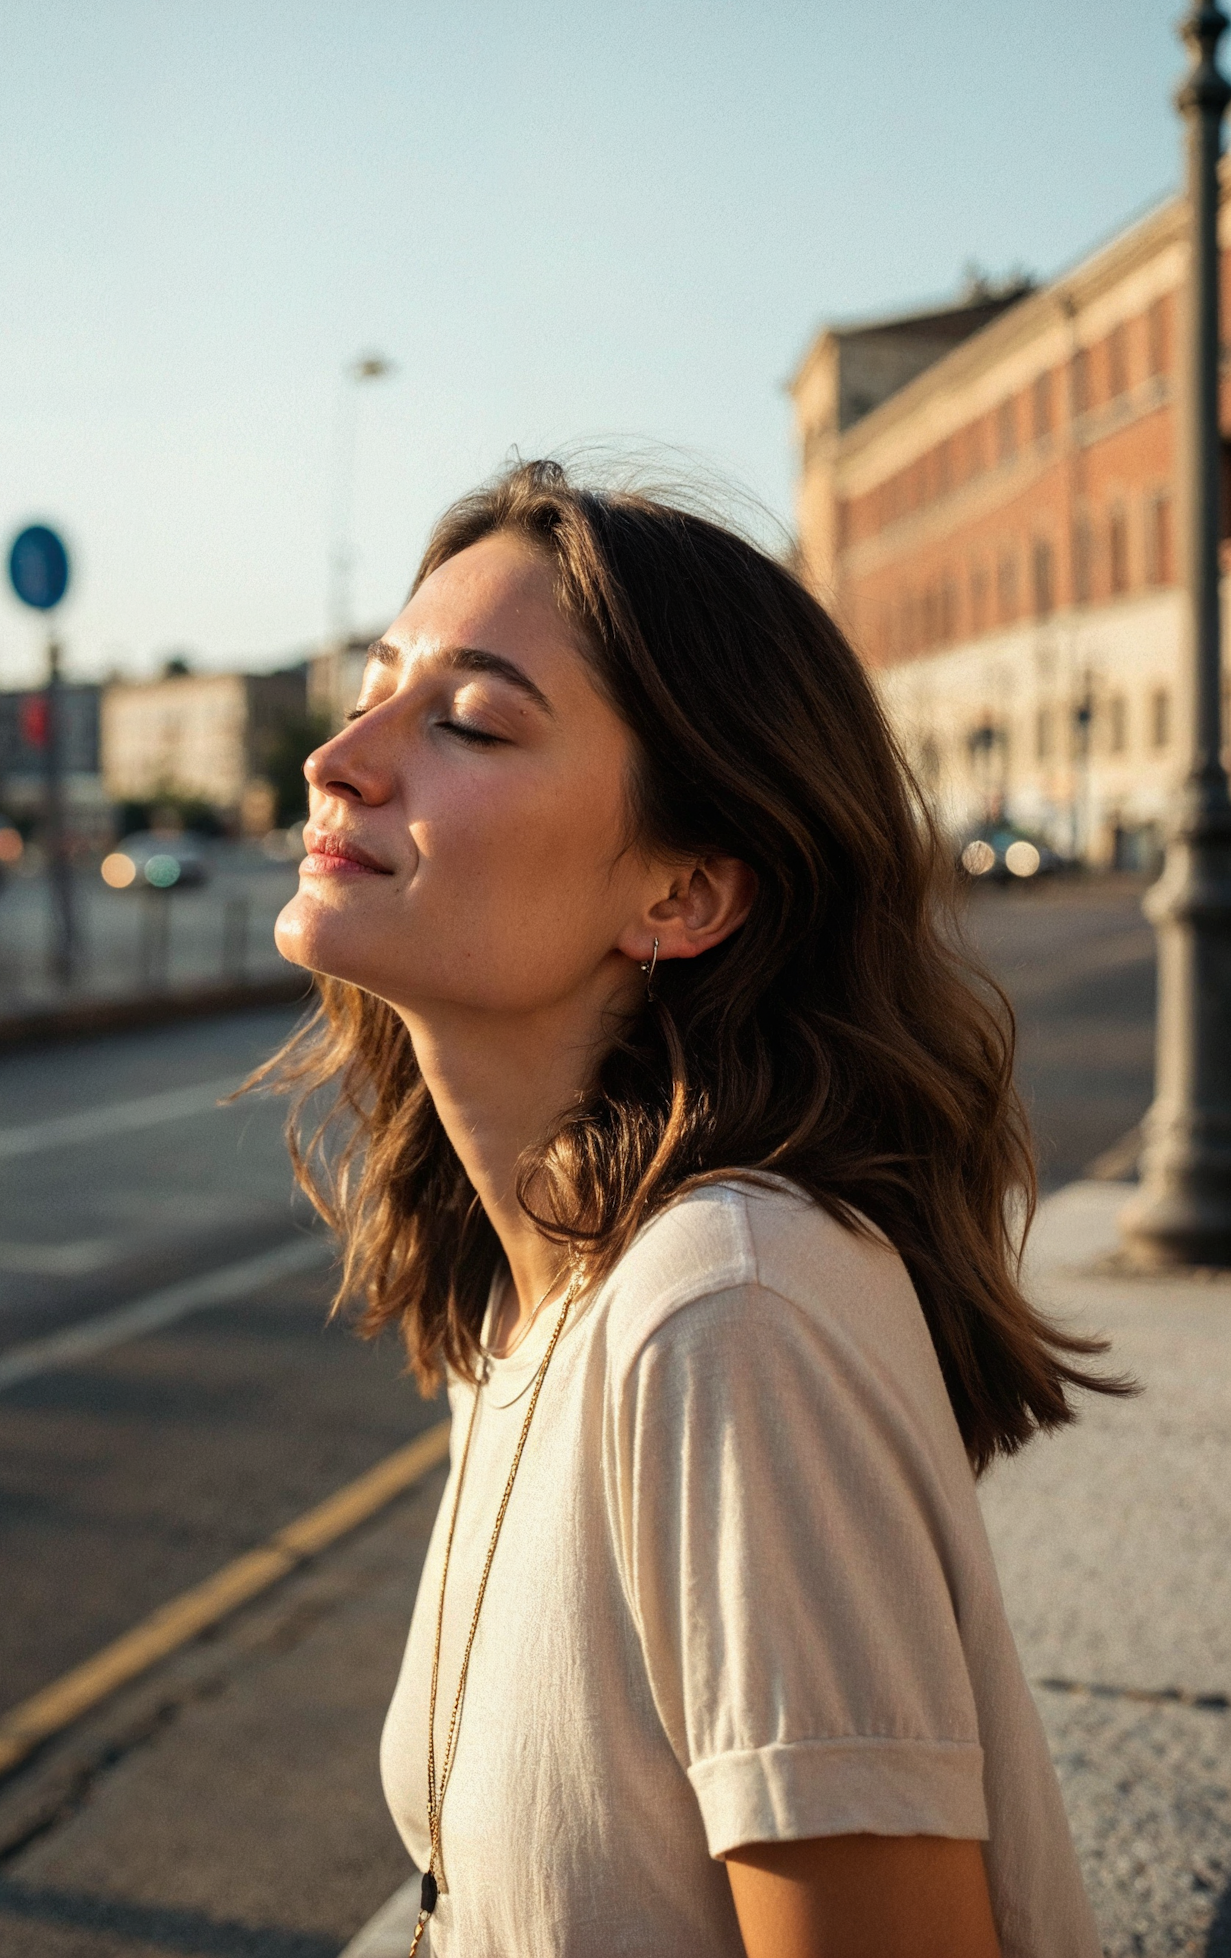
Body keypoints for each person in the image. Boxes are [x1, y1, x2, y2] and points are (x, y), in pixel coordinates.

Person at [255, 460, 1121, 1957]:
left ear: (685, 895)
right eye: (370, 690)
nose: (341, 757)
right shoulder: (541, 1298)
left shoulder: (728, 1317)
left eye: (467, 719)